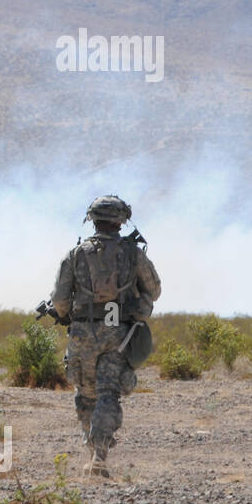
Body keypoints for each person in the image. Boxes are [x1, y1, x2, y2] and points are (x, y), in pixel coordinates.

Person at [50, 195, 161, 478]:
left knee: (85, 394)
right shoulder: (134, 253)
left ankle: (91, 453)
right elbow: (154, 289)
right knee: (108, 392)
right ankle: (100, 454)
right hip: (117, 333)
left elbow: (60, 301)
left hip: (83, 333)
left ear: (92, 219)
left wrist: (67, 315)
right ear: (121, 221)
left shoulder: (75, 255)